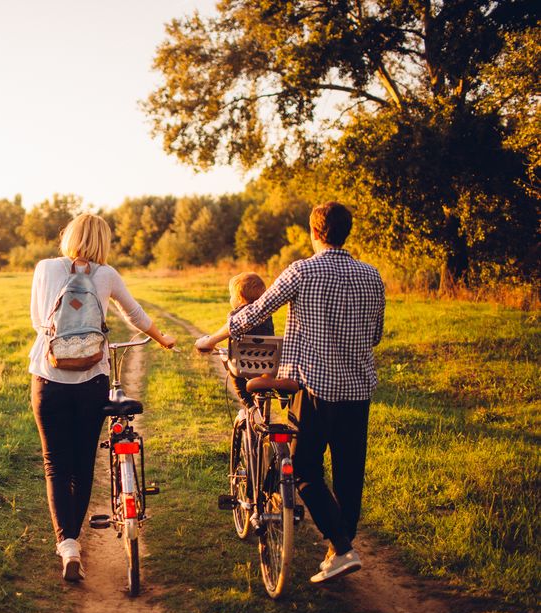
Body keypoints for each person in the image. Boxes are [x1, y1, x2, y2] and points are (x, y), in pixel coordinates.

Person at [195, 202, 385, 583]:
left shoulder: (302, 270)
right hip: (358, 390)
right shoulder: (372, 275)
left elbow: (249, 315)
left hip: (313, 387)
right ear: (346, 232)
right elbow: (376, 335)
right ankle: (338, 548)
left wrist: (210, 339)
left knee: (304, 468)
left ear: (314, 232)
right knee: (349, 474)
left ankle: (342, 548)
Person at [29, 213, 176, 581]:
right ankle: (75, 536)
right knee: (81, 466)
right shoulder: (106, 274)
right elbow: (135, 315)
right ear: (103, 242)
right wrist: (163, 339)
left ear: (69, 236)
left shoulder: (45, 268)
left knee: (55, 466)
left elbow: (37, 321)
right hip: (92, 381)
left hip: (49, 378)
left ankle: (68, 547)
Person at [225, 272, 274, 411]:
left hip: (244, 363)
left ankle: (248, 403)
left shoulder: (234, 316)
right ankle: (262, 402)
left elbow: (233, 338)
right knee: (263, 378)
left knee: (234, 372)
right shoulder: (267, 315)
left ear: (239, 298)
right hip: (267, 363)